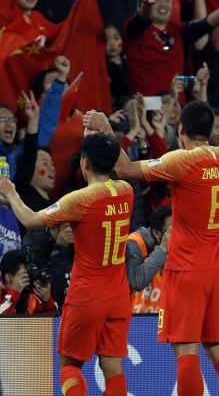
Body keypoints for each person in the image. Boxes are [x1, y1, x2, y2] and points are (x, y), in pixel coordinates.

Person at [83, 85, 219, 396]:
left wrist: (107, 130)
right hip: (216, 271)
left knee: (187, 352)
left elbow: (124, 168)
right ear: (211, 130)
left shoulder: (180, 161)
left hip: (185, 270)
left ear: (181, 130)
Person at [0, 132, 133, 396]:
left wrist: (11, 193)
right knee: (114, 372)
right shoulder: (126, 191)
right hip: (118, 295)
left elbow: (30, 221)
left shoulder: (80, 200)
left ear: (84, 164)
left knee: (70, 366)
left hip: (86, 295)